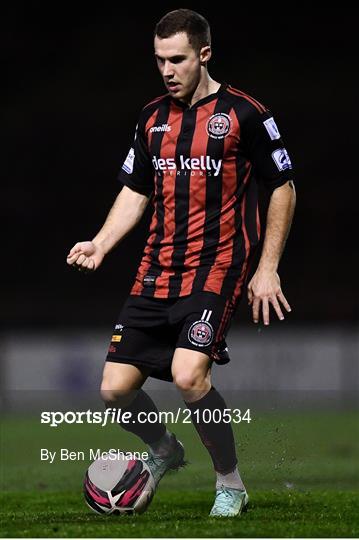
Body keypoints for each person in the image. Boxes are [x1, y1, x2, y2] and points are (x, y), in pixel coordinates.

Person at [67, 8, 296, 518]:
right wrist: (102, 243)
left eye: (178, 59)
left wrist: (267, 266)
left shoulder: (244, 114)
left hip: (216, 268)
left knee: (189, 375)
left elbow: (281, 185)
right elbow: (134, 190)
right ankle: (166, 449)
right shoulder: (151, 120)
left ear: (204, 55)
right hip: (157, 270)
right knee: (114, 390)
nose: (167, 70)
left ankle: (230, 484)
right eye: (159, 60)